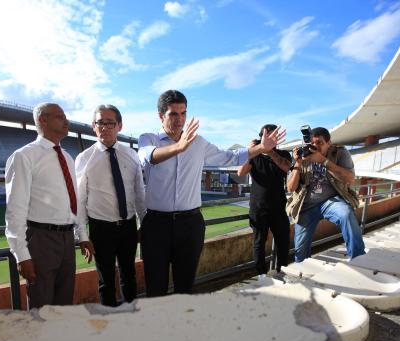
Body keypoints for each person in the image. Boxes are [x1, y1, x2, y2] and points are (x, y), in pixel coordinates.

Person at [138, 90, 285, 297]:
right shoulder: (148, 138)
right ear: (161, 115)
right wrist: (179, 147)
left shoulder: (198, 142)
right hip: (156, 225)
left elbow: (229, 157)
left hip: (190, 224)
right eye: (173, 114)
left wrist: (261, 148)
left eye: (183, 113)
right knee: (155, 287)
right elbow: (148, 157)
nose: (180, 120)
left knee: (185, 287)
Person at [5, 103, 94, 308]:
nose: (66, 121)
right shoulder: (24, 156)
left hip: (66, 239)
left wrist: (83, 236)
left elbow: (75, 201)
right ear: (43, 120)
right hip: (41, 239)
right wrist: (21, 255)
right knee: (42, 306)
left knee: (64, 304)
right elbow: (15, 209)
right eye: (60, 116)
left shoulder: (68, 157)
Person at [75, 105, 146, 307]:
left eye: (110, 123)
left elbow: (139, 192)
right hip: (101, 228)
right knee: (105, 281)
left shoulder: (131, 155)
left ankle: (132, 319)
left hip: (128, 226)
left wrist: (144, 222)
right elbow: (79, 200)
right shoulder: (84, 159)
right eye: (100, 122)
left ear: (119, 126)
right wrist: (82, 236)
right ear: (93, 126)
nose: (105, 127)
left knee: (129, 276)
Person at [286, 126, 365, 262]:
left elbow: (350, 179)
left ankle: (358, 258)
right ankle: (302, 269)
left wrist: (323, 161)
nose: (315, 146)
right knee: (300, 250)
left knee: (346, 214)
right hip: (306, 205)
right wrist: (298, 163)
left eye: (320, 143)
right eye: (313, 143)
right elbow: (290, 188)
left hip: (330, 201)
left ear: (329, 143)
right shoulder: (303, 155)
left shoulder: (339, 153)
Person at [237, 124, 292, 277]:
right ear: (261, 138)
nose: (270, 139)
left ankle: (282, 272)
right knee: (259, 243)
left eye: (274, 137)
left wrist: (269, 151)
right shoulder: (255, 156)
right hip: (258, 208)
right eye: (266, 137)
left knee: (283, 241)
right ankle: (261, 276)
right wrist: (253, 152)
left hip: (278, 208)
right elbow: (240, 172)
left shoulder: (283, 154)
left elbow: (287, 168)